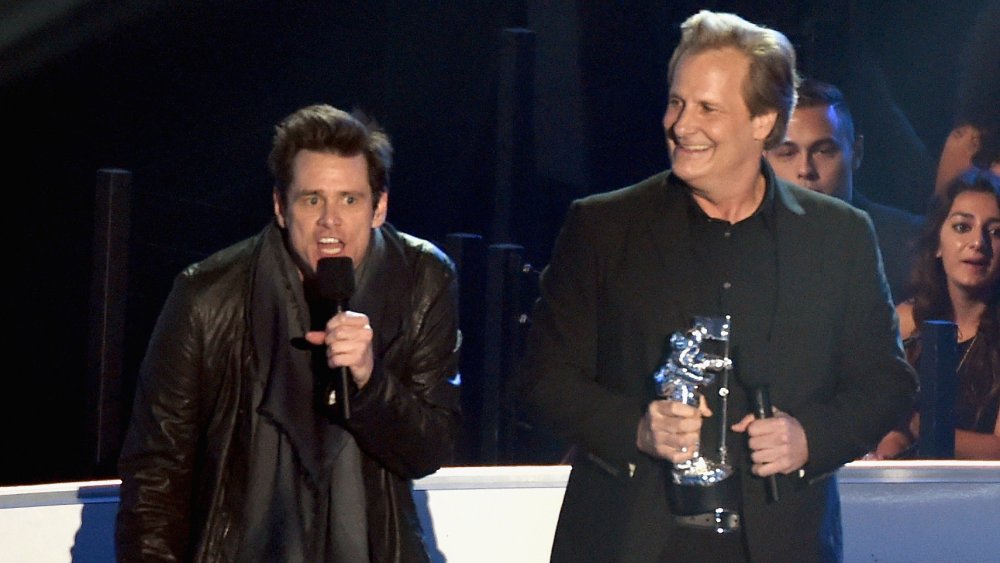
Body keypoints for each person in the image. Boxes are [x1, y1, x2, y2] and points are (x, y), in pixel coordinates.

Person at [517, 10, 917, 563]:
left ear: (763, 122)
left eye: (707, 108)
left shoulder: (839, 236)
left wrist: (810, 438)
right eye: (677, 102)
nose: (681, 125)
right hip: (629, 541)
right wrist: (636, 428)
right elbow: (544, 379)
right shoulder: (604, 227)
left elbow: (887, 382)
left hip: (781, 542)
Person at [115, 104, 462, 562]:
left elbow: (428, 450)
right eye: (311, 199)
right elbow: (156, 473)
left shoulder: (423, 278)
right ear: (281, 207)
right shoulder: (208, 296)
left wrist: (369, 381)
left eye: (349, 199)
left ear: (380, 207)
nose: (330, 221)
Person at [874, 169, 1000, 460]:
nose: (978, 242)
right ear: (937, 246)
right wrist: (893, 440)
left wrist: (922, 428)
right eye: (961, 227)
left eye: (995, 232)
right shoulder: (904, 324)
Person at [765, 78, 924, 303]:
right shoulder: (740, 245)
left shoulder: (908, 246)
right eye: (787, 153)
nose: (805, 169)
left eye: (823, 151)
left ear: (856, 153)